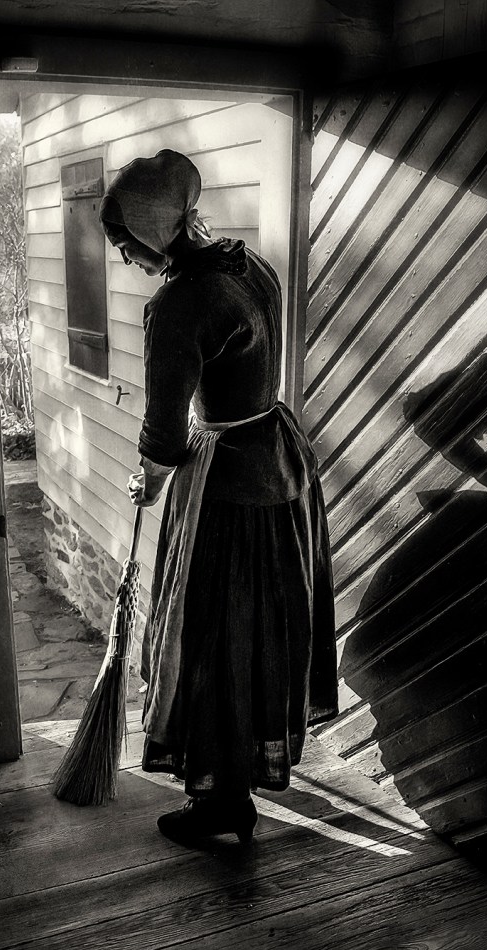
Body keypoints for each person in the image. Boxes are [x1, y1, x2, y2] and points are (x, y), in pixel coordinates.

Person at [99, 149, 338, 845]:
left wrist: (149, 480)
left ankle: (223, 802)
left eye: (125, 242)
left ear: (152, 229)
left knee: (211, 639)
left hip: (228, 490)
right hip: (281, 462)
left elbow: (164, 432)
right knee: (262, 632)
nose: (123, 256)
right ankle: (244, 771)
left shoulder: (178, 304)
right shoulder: (246, 264)